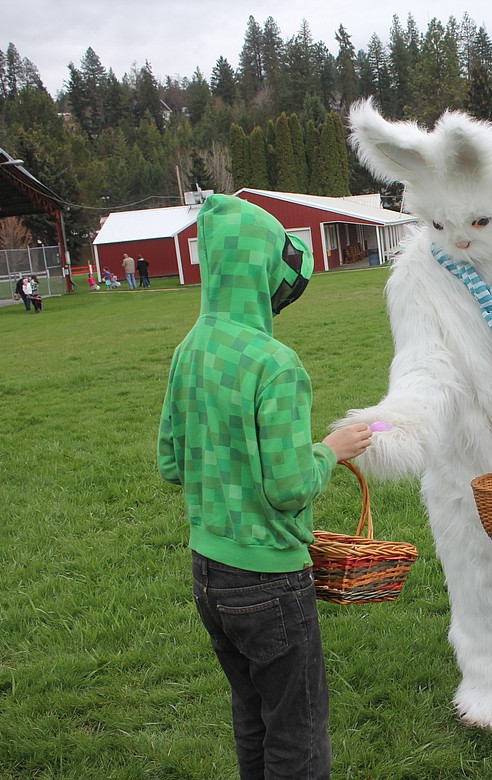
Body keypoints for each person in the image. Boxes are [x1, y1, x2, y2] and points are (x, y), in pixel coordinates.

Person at [158, 194, 372, 780]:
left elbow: (172, 463)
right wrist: (332, 450)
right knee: (296, 734)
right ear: (261, 272)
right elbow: (289, 487)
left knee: (252, 717)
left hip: (208, 573)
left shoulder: (187, 352)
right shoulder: (275, 364)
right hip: (270, 581)